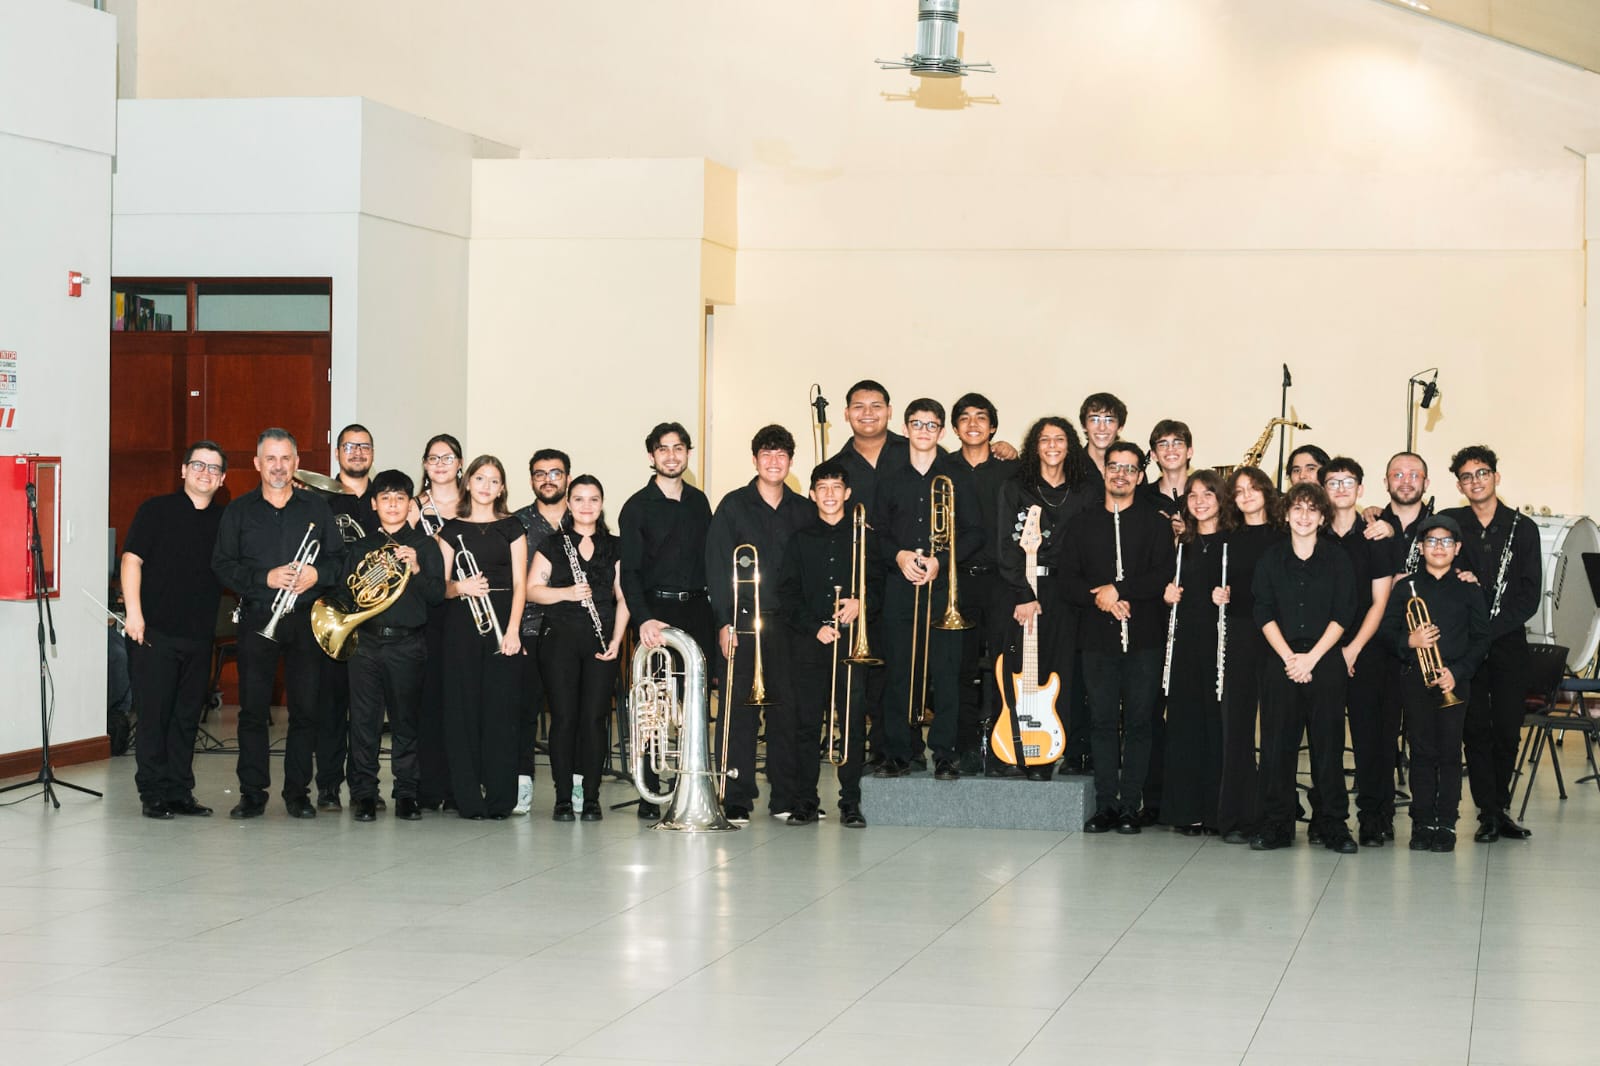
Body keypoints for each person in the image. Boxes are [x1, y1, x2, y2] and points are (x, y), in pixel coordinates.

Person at [212, 428, 345, 820]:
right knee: (253, 711)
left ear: (297, 463)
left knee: (305, 710)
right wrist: (264, 579)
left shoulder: (316, 509)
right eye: (270, 458)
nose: (278, 466)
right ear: (257, 463)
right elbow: (222, 564)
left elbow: (338, 561)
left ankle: (297, 793)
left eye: (285, 458)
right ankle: (253, 793)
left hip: (305, 619)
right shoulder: (238, 510)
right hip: (258, 618)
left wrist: (316, 575)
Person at [1062, 441, 1175, 834]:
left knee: (1142, 723)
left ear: (1140, 476)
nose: (1121, 475)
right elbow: (1068, 580)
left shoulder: (1156, 523)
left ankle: (1131, 806)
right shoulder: (1081, 522)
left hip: (1145, 638)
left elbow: (1161, 574)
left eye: (1129, 469)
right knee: (1103, 723)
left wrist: (1119, 590)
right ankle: (1106, 805)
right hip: (1097, 639)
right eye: (1114, 467)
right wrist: (1102, 600)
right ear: (1105, 472)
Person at [706, 425, 812, 823]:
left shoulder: (803, 510)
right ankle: (736, 796)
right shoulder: (733, 507)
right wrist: (723, 622)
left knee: (787, 711)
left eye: (781, 455)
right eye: (766, 455)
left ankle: (783, 796)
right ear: (754, 460)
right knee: (738, 713)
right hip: (743, 623)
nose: (773, 462)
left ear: (790, 461)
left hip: (789, 627)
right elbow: (717, 569)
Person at [875, 399, 983, 781]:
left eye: (932, 425)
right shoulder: (887, 477)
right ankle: (901, 751)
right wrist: (900, 556)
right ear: (905, 428)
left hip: (942, 589)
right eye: (917, 424)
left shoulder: (957, 476)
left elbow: (974, 533)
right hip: (900, 588)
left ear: (941, 431)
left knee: (946, 673)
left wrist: (942, 560)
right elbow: (876, 535)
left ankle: (945, 753)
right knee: (900, 672)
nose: (924, 431)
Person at [123, 441, 228, 819]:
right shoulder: (156, 510)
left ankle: (179, 791)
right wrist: (134, 615)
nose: (205, 472)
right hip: (154, 632)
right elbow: (132, 560)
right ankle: (152, 792)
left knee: (186, 719)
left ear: (222, 478)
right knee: (154, 716)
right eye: (198, 465)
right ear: (183, 471)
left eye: (214, 468)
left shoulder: (225, 520)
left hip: (200, 636)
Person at [1250, 482, 1357, 853]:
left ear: (1323, 517)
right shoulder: (1271, 558)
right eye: (1298, 508)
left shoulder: (1338, 559)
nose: (1304, 515)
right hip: (1280, 661)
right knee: (1277, 746)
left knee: (1328, 746)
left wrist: (1311, 658)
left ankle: (1331, 824)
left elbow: (1344, 613)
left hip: (1324, 661)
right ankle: (1276, 824)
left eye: (1313, 509)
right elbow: (1262, 611)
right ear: (1286, 513)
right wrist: (1289, 659)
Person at [1440, 445, 1539, 844]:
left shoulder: (1523, 527)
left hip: (1507, 643)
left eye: (1481, 473)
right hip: (1465, 648)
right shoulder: (1451, 524)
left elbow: (1529, 596)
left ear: (1496, 477)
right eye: (1466, 476)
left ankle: (1501, 807)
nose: (1474, 481)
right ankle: (1486, 813)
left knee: (1508, 730)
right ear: (1460, 484)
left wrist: (1491, 630)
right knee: (1475, 729)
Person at [618, 422, 715, 820]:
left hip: (697, 609)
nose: (671, 456)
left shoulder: (700, 502)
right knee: (654, 703)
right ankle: (650, 790)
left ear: (688, 453)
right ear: (651, 456)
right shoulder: (636, 507)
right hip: (656, 610)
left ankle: (691, 780)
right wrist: (643, 619)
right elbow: (630, 574)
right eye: (663, 449)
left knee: (693, 701)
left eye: (679, 448)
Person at [779, 461, 881, 827]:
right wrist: (814, 628)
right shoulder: (800, 539)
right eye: (822, 488)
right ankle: (805, 801)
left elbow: (882, 585)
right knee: (807, 724)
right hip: (811, 644)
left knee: (852, 724)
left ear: (848, 493)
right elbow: (787, 595)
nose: (830, 494)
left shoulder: (864, 537)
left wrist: (861, 601)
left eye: (836, 487)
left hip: (853, 644)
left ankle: (850, 802)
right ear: (811, 494)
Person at [1380, 514, 1490, 853]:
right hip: (1417, 680)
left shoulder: (1470, 589)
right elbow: (1387, 632)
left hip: (1455, 680)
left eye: (1446, 542)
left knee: (1449, 754)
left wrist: (1458, 671)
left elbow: (1481, 639)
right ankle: (1422, 820)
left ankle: (1446, 823)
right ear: (1422, 548)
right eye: (1431, 542)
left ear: (1457, 548)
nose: (1438, 548)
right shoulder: (1406, 588)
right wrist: (1409, 642)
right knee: (1422, 751)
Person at [340, 469, 445, 822]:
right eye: (385, 497)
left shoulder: (426, 546)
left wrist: (415, 568)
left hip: (407, 645)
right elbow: (349, 594)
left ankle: (407, 794)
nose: (393, 504)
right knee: (364, 724)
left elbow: (436, 596)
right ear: (374, 504)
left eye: (400, 498)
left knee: (405, 723)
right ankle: (365, 794)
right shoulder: (361, 547)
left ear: (410, 504)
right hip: (366, 644)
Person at [995, 416, 1089, 780]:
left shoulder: (1082, 489)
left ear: (1070, 446)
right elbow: (1005, 543)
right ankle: (1013, 748)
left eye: (1060, 439)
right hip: (1020, 588)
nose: (1052, 445)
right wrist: (1022, 592)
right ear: (1035, 446)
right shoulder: (1016, 487)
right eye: (1045, 439)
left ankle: (1049, 752)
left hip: (1066, 593)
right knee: (1016, 669)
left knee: (1059, 671)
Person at [530, 474, 628, 822]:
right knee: (565, 718)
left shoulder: (616, 545)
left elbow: (623, 596)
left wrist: (617, 641)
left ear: (602, 504)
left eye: (594, 499)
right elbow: (531, 590)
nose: (587, 506)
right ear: (569, 504)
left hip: (602, 642)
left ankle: (590, 797)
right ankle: (560, 798)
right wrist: (566, 593)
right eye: (580, 499)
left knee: (594, 719)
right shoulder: (552, 544)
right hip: (559, 641)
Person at [436, 455, 527, 819]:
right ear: (468, 482)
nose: (486, 486)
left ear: (502, 488)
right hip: (462, 626)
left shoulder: (513, 528)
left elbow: (521, 584)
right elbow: (440, 587)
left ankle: (501, 799)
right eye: (480, 478)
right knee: (463, 712)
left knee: (500, 712)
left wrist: (514, 631)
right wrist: (461, 586)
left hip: (503, 623)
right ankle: (468, 798)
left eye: (494, 480)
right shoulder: (449, 530)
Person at [1322, 457, 1397, 846]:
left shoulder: (1375, 538)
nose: (1340, 488)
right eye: (1332, 482)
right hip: (1322, 651)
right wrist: (1331, 651)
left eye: (1347, 481)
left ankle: (1374, 816)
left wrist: (1352, 649)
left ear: (1361, 489)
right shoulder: (1312, 535)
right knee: (1327, 738)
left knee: (1371, 738)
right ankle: (1328, 816)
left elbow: (1379, 602)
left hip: (1365, 648)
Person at [1158, 470, 1235, 835]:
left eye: (1208, 494)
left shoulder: (1232, 542)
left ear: (1222, 499)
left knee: (1217, 726)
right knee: (1185, 725)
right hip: (1187, 644)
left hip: (1221, 646)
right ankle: (1186, 810)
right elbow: (1166, 587)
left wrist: (1230, 597)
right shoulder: (1181, 543)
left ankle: (1218, 810)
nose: (1200, 501)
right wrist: (1167, 593)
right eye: (1193, 495)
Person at [1216, 467, 1285, 844]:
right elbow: (1217, 583)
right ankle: (1237, 815)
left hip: (1277, 639)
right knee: (1237, 729)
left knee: (1276, 729)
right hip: (1240, 636)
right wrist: (1218, 594)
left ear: (1266, 492)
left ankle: (1272, 815)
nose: (1246, 495)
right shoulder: (1228, 538)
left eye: (1253, 488)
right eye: (1239, 490)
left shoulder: (1285, 535)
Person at [951, 392, 1018, 775]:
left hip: (1001, 582)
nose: (973, 423)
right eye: (964, 417)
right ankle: (964, 748)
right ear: (955, 427)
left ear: (993, 427)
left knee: (1002, 666)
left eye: (981, 417)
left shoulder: (1010, 468)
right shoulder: (944, 468)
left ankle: (1001, 745)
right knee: (957, 669)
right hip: (957, 582)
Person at [315, 423, 378, 812]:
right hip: (334, 612)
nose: (357, 452)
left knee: (369, 712)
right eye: (349, 446)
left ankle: (363, 788)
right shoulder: (318, 499)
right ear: (337, 453)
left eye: (364, 446)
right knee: (332, 707)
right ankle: (327, 786)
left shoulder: (385, 497)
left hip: (375, 616)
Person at [511, 447, 571, 814]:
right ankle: (522, 783)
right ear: (531, 478)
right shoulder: (516, 523)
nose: (548, 479)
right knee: (523, 712)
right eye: (540, 473)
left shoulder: (585, 516)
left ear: (567, 477)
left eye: (556, 472)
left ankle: (574, 788)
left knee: (569, 714)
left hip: (571, 633)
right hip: (529, 629)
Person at [413, 432, 465, 811]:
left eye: (448, 457)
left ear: (460, 463)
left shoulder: (475, 502)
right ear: (426, 465)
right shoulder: (413, 507)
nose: (441, 463)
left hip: (465, 610)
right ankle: (429, 786)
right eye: (433, 458)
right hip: (427, 611)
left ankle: (460, 783)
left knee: (461, 699)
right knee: (429, 699)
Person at [1076, 392, 1126, 496]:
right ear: (1084, 425)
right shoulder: (1071, 466)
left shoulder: (1131, 466)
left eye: (1109, 420)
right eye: (1094, 419)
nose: (1102, 428)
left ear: (1120, 427)